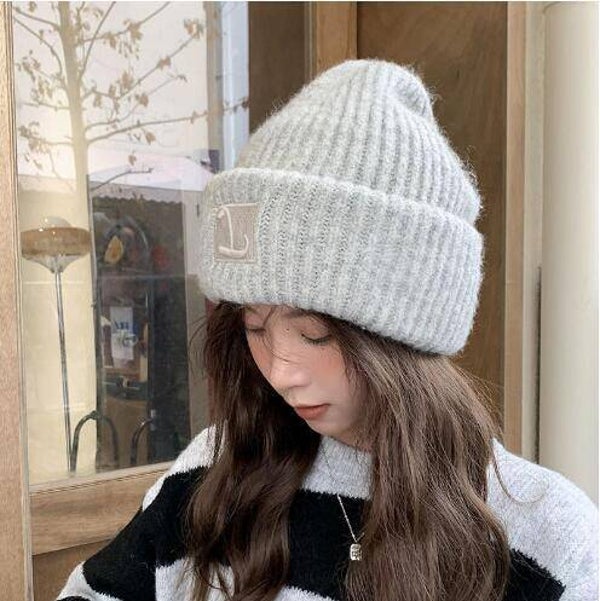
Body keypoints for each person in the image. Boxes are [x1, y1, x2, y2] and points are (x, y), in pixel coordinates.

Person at [56, 59, 598, 601]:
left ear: (404, 339)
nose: (280, 373)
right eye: (254, 327)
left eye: (315, 333)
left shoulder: (547, 536)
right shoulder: (215, 470)